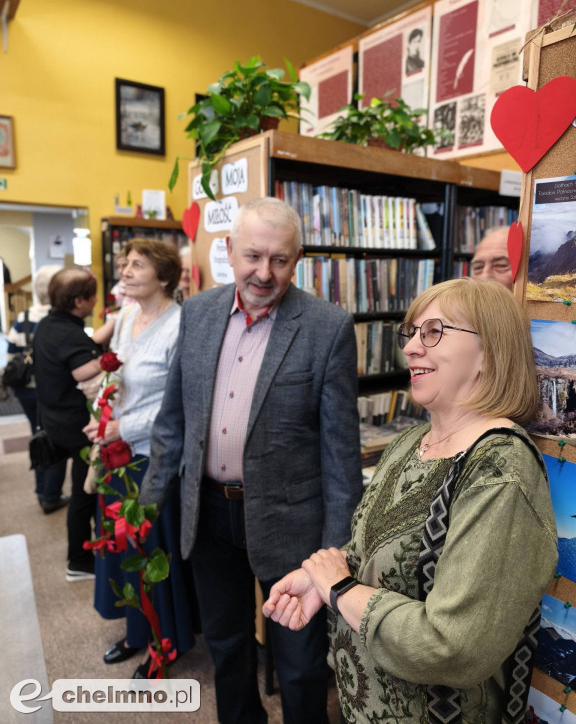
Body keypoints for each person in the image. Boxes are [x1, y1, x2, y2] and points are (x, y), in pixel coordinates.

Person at [264, 278, 557, 724]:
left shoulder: (499, 470)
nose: (411, 349)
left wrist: (340, 590)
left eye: (434, 332)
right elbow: (381, 546)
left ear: (489, 353)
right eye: (412, 332)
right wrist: (320, 580)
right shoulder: (410, 442)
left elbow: (454, 647)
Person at [140, 197, 363, 724]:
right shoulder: (196, 313)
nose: (264, 272)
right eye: (253, 256)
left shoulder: (327, 327)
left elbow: (340, 453)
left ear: (298, 258)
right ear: (228, 251)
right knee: (226, 644)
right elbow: (173, 418)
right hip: (211, 515)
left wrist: (336, 553)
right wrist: (148, 504)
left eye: (280, 260)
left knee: (301, 663)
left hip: (293, 524)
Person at [83, 238, 197, 679]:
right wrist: (101, 421)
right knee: (120, 547)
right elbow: (115, 381)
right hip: (115, 455)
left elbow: (180, 402)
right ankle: (136, 630)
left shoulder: (180, 325)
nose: (126, 271)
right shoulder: (126, 314)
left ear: (165, 277)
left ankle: (162, 641)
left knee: (150, 551)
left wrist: (123, 429)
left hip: (152, 458)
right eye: (125, 263)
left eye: (137, 265)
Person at [33, 268, 103, 581]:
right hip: (76, 427)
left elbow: (81, 345)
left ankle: (82, 554)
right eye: (92, 296)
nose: (95, 302)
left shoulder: (50, 324)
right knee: (84, 492)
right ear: (79, 301)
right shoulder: (69, 334)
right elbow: (84, 371)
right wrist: (121, 356)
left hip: (53, 418)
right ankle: (78, 560)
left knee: (80, 491)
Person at [6, 264, 67, 512]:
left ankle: (42, 489)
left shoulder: (23, 319)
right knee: (55, 441)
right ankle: (51, 495)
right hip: (52, 393)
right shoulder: (59, 321)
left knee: (37, 435)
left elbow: (10, 358)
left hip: (25, 392)